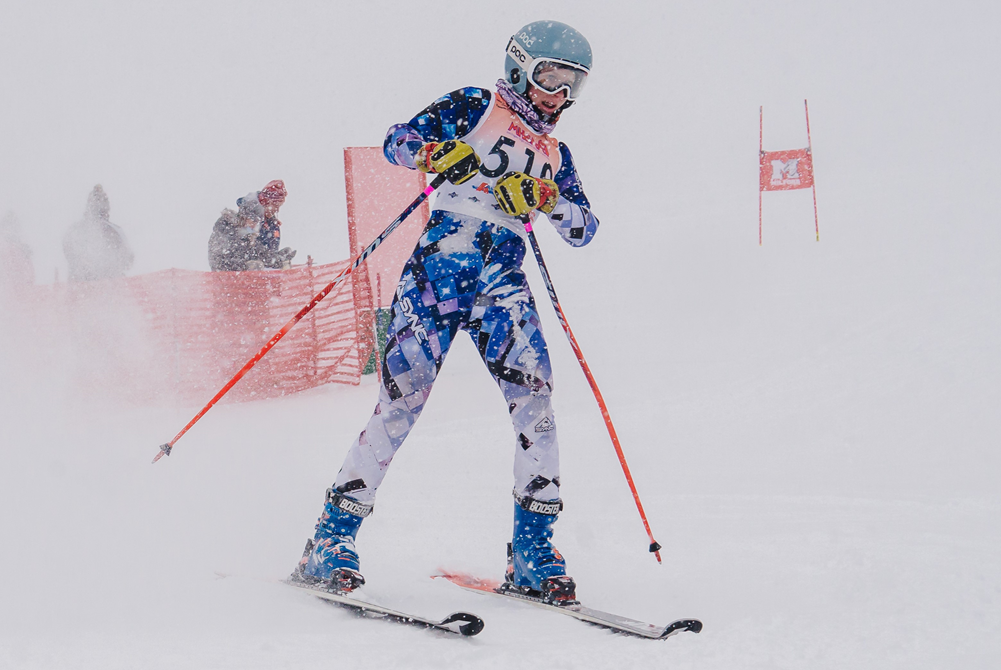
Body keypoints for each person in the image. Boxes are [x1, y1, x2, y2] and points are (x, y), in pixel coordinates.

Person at [294, 21, 599, 605]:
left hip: (502, 285)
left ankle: (534, 551)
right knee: (401, 401)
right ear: (518, 66)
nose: (558, 96)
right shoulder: (475, 105)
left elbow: (584, 229)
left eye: (572, 86)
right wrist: (439, 153)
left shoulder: (556, 154)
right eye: (550, 78)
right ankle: (331, 539)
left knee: (536, 404)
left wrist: (545, 198)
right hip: (439, 273)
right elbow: (396, 141)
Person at [208, 190, 295, 271]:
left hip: (241, 279)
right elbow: (218, 260)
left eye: (257, 221)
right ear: (245, 216)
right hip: (223, 278)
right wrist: (245, 265)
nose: (254, 224)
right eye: (253, 220)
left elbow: (260, 253)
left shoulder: (248, 234)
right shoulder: (226, 226)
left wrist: (278, 259)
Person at [63, 185, 134, 282]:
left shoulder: (75, 230)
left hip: (79, 286)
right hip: (110, 285)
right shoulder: (115, 231)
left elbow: (68, 252)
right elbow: (128, 260)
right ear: (107, 206)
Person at [0, 211, 34, 289]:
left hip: (21, 293)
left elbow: (29, 277)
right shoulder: (5, 246)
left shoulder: (22, 249)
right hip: (13, 293)